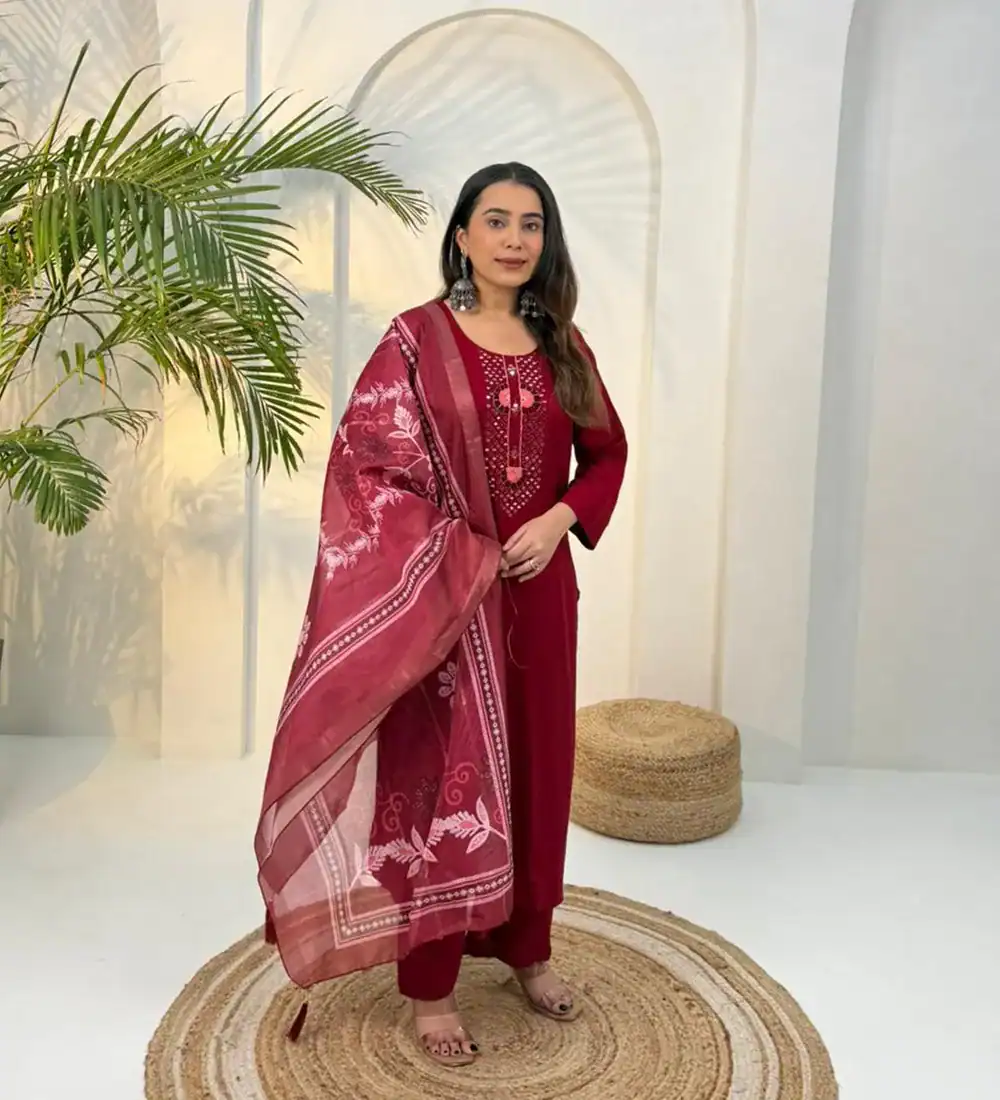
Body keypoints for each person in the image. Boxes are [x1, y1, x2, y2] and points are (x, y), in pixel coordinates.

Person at [255, 162, 628, 1068]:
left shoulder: (563, 345)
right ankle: (431, 986)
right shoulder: (416, 341)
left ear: (547, 242)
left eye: (531, 224)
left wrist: (559, 517)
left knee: (539, 773)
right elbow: (365, 472)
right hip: (443, 607)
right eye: (495, 220)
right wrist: (461, 555)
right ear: (461, 235)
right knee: (435, 785)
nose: (514, 239)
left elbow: (608, 456)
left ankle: (528, 948)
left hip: (540, 599)